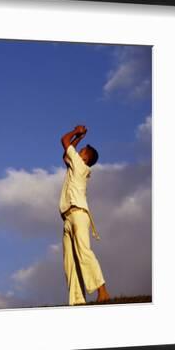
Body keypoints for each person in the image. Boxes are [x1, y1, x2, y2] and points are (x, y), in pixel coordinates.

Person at [59, 125, 110, 305]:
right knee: (70, 262)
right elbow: (66, 154)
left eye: (81, 150)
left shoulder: (80, 166)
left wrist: (75, 131)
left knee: (84, 253)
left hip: (79, 214)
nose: (78, 150)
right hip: (68, 217)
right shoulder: (76, 164)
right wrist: (80, 138)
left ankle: (102, 291)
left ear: (85, 158)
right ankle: (77, 301)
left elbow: (64, 141)